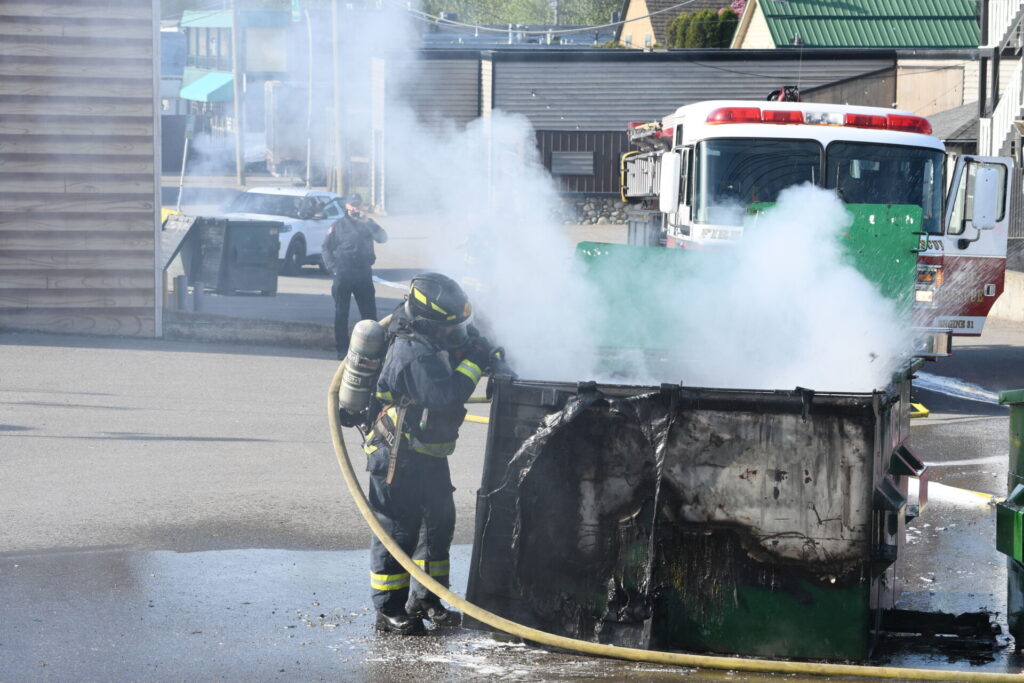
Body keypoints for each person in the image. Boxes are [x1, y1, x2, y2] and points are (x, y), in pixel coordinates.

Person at [362, 272, 500, 635]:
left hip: (426, 454)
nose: (455, 330)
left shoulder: (432, 332)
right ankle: (389, 609)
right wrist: (477, 358)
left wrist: (486, 349)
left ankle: (427, 598)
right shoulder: (410, 354)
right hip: (396, 456)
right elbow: (446, 394)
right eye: (449, 324)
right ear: (430, 319)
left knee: (438, 525)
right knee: (397, 530)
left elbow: (460, 344)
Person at [322, 193, 388, 360]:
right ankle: (342, 350)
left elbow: (383, 238)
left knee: (369, 315)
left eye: (358, 204)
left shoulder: (367, 224)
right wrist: (333, 268)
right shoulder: (337, 225)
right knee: (341, 313)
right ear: (347, 206)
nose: (356, 208)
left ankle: (372, 351)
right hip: (344, 273)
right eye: (353, 205)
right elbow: (326, 248)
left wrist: (368, 222)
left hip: (363, 273)